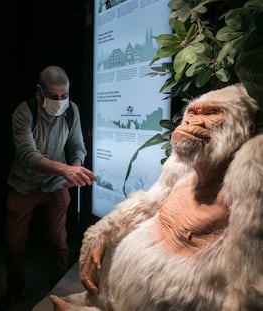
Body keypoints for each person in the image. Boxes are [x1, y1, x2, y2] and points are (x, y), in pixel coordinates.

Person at [49, 83, 263, 310]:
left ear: (245, 128)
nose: (193, 122)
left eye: (212, 113)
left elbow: (249, 285)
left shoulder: (249, 176)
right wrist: (101, 234)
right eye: (192, 112)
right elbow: (145, 204)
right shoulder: (181, 167)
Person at [0, 65, 97, 311]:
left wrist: (75, 166)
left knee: (58, 242)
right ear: (39, 91)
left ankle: (58, 289)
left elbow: (77, 146)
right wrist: (65, 170)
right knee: (15, 243)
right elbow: (28, 155)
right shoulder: (24, 112)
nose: (60, 102)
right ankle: (15, 289)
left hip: (55, 187)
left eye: (64, 96)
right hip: (23, 186)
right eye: (53, 96)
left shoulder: (71, 111)